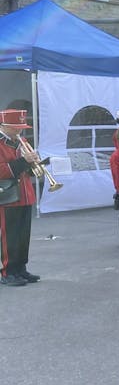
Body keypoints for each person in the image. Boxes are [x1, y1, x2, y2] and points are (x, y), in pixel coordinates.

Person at [0, 109, 41, 286]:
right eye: (16, 127)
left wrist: (34, 164)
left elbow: (27, 169)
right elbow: (2, 170)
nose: (20, 131)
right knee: (9, 237)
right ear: (5, 126)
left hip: (25, 194)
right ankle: (7, 272)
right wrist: (24, 161)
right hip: (8, 197)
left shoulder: (21, 141)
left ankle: (20, 269)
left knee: (23, 235)